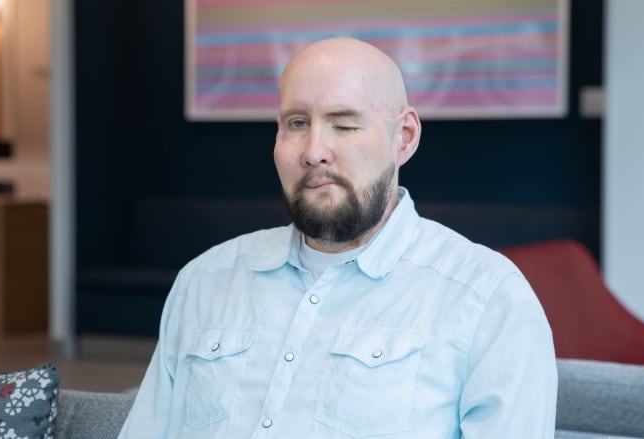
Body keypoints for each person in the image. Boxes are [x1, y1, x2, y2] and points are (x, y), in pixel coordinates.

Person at [118, 36, 557, 438]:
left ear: (403, 138)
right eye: (295, 124)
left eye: (343, 125)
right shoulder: (205, 280)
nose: (313, 151)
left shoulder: (486, 299)